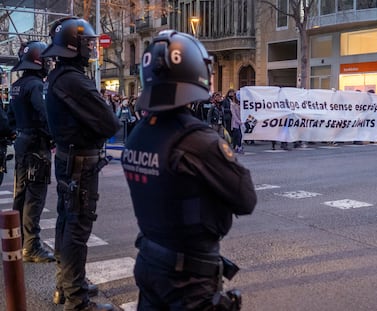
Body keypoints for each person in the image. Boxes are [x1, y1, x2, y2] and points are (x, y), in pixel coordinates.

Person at [121, 30, 257, 310]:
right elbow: (246, 198)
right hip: (187, 277)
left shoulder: (139, 134)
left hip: (149, 261)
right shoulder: (197, 139)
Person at [42, 17, 121, 311]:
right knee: (77, 226)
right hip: (80, 163)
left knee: (67, 221)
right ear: (73, 46)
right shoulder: (74, 81)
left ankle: (67, 285)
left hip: (68, 159)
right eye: (88, 43)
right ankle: (76, 299)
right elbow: (109, 122)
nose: (91, 48)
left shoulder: (59, 77)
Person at [6, 41, 55, 263]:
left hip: (23, 143)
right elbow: (45, 114)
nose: (49, 63)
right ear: (38, 61)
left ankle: (15, 238)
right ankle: (31, 246)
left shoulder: (17, 85)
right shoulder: (36, 85)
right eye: (46, 60)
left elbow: (10, 117)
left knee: (20, 194)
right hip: (36, 146)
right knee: (34, 197)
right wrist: (54, 136)